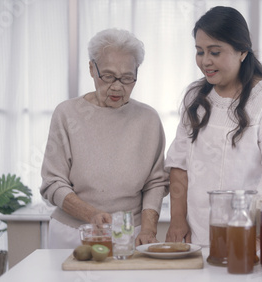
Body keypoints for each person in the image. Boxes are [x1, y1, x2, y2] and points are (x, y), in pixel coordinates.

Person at [165, 6, 262, 246]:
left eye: (215, 52)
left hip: (251, 238)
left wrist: (253, 230)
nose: (205, 61)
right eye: (199, 51)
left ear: (242, 52)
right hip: (198, 237)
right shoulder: (195, 98)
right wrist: (177, 219)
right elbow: (179, 165)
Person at [40, 28, 169, 248]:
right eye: (108, 76)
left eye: (127, 78)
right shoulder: (67, 114)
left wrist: (148, 230)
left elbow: (156, 183)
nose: (117, 86)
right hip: (74, 234)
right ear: (92, 68)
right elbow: (52, 183)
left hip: (130, 234)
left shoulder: (148, 119)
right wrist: (91, 214)